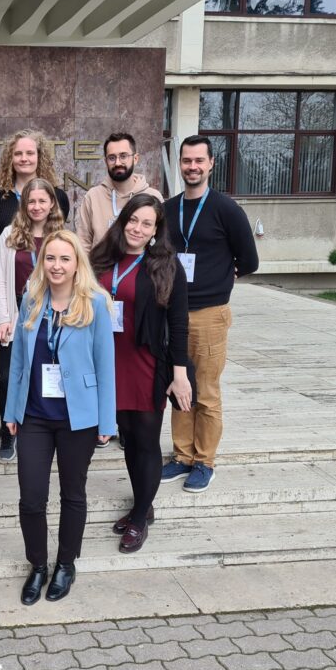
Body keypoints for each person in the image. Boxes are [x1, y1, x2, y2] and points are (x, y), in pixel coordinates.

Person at [4, 230, 116, 605]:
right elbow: (18, 359)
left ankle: (66, 564)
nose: (56, 266)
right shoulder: (31, 300)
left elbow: (106, 365)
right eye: (50, 258)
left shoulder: (96, 304)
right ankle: (38, 565)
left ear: (76, 263)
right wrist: (10, 410)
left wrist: (107, 422)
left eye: (64, 259)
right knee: (32, 497)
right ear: (42, 262)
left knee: (73, 493)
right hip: (34, 414)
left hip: (77, 418)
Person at [90, 194, 193, 553]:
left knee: (147, 442)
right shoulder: (102, 258)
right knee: (128, 438)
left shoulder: (166, 265)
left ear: (156, 229)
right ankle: (142, 504)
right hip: (109, 361)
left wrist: (179, 374)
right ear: (123, 220)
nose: (137, 228)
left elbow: (179, 322)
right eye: (133, 220)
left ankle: (140, 517)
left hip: (146, 362)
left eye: (146, 223)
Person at [161, 135, 259, 492]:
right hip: (174, 313)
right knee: (178, 386)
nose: (192, 167)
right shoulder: (169, 209)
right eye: (186, 161)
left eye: (198, 161)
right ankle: (182, 455)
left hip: (208, 314)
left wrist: (222, 275)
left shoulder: (226, 209)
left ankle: (204, 460)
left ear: (211, 163)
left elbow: (249, 260)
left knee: (205, 391)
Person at [0, 178, 65, 463]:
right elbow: (0, 280)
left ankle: (39, 427)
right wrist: (2, 319)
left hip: (51, 319)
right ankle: (7, 429)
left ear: (51, 204)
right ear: (24, 204)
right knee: (10, 376)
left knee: (44, 374)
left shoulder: (61, 235)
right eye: (31, 201)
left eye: (42, 201)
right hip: (16, 318)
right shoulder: (10, 235)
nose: (36, 206)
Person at [76, 132, 163, 253]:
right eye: (112, 157)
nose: (117, 163)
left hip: (141, 270)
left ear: (135, 158)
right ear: (106, 161)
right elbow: (83, 243)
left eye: (123, 156)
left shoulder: (153, 197)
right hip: (100, 270)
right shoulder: (93, 196)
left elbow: (161, 240)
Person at [0, 129, 70, 241]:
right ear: (10, 159)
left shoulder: (57, 196)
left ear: (39, 156)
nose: (24, 159)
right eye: (18, 154)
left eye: (30, 153)